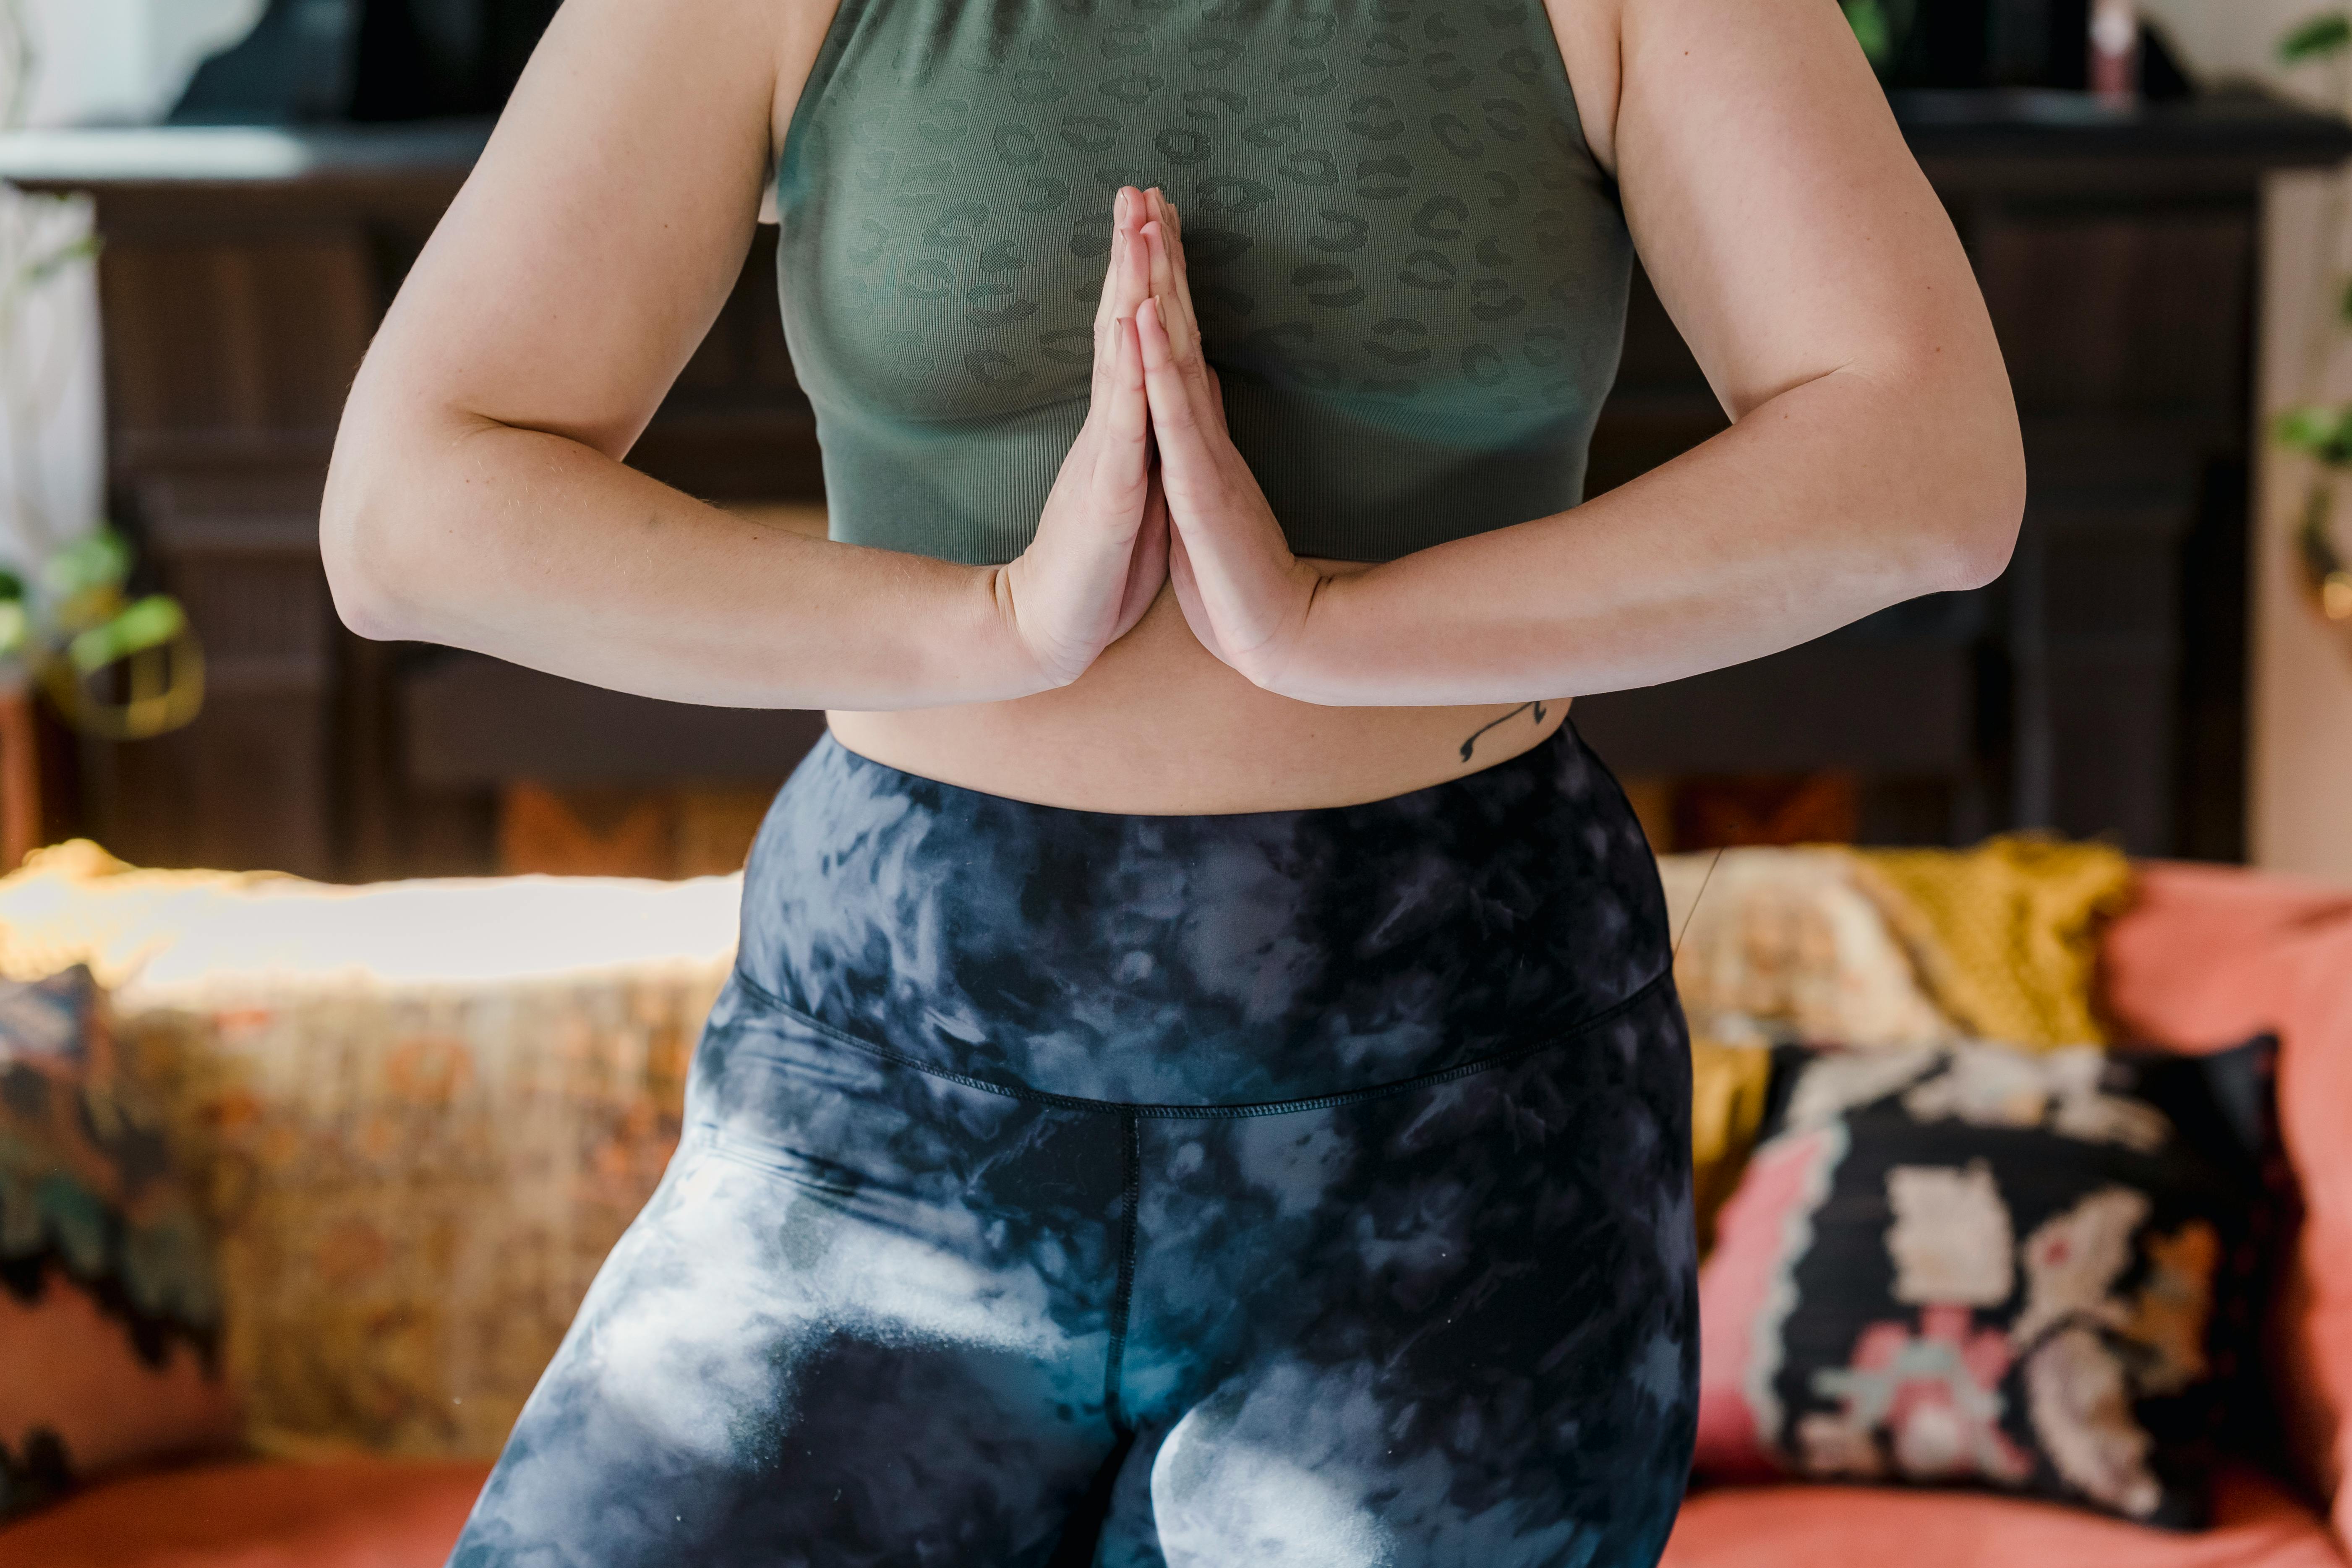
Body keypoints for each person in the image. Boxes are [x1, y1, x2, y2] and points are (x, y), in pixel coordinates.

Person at [320, 0, 2023, 1558]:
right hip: (883, 1095)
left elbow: (1926, 460)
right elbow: (411, 513)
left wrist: (1336, 627)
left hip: (1455, 1100)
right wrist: (992, 621)